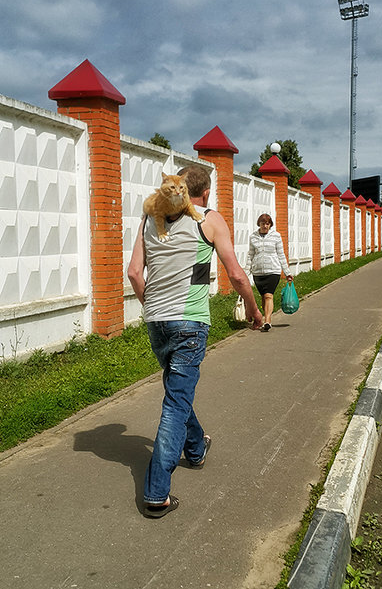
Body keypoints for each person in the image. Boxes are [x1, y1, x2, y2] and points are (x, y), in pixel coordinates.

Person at [128, 164, 262, 519]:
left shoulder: (150, 219)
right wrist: (254, 310)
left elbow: (134, 273)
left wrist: (155, 308)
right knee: (175, 403)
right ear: (206, 193)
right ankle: (157, 492)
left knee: (177, 389)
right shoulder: (209, 220)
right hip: (189, 323)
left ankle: (196, 448)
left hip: (157, 322)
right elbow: (235, 273)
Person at [245, 213, 293, 331]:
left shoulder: (276, 236)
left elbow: (281, 255)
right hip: (258, 272)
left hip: (273, 271)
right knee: (263, 296)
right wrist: (246, 272)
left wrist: (287, 272)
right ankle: (264, 318)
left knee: (268, 296)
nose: (265, 226)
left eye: (267, 224)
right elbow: (250, 255)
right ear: (259, 224)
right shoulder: (253, 237)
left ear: (270, 224)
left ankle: (267, 321)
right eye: (263, 223)